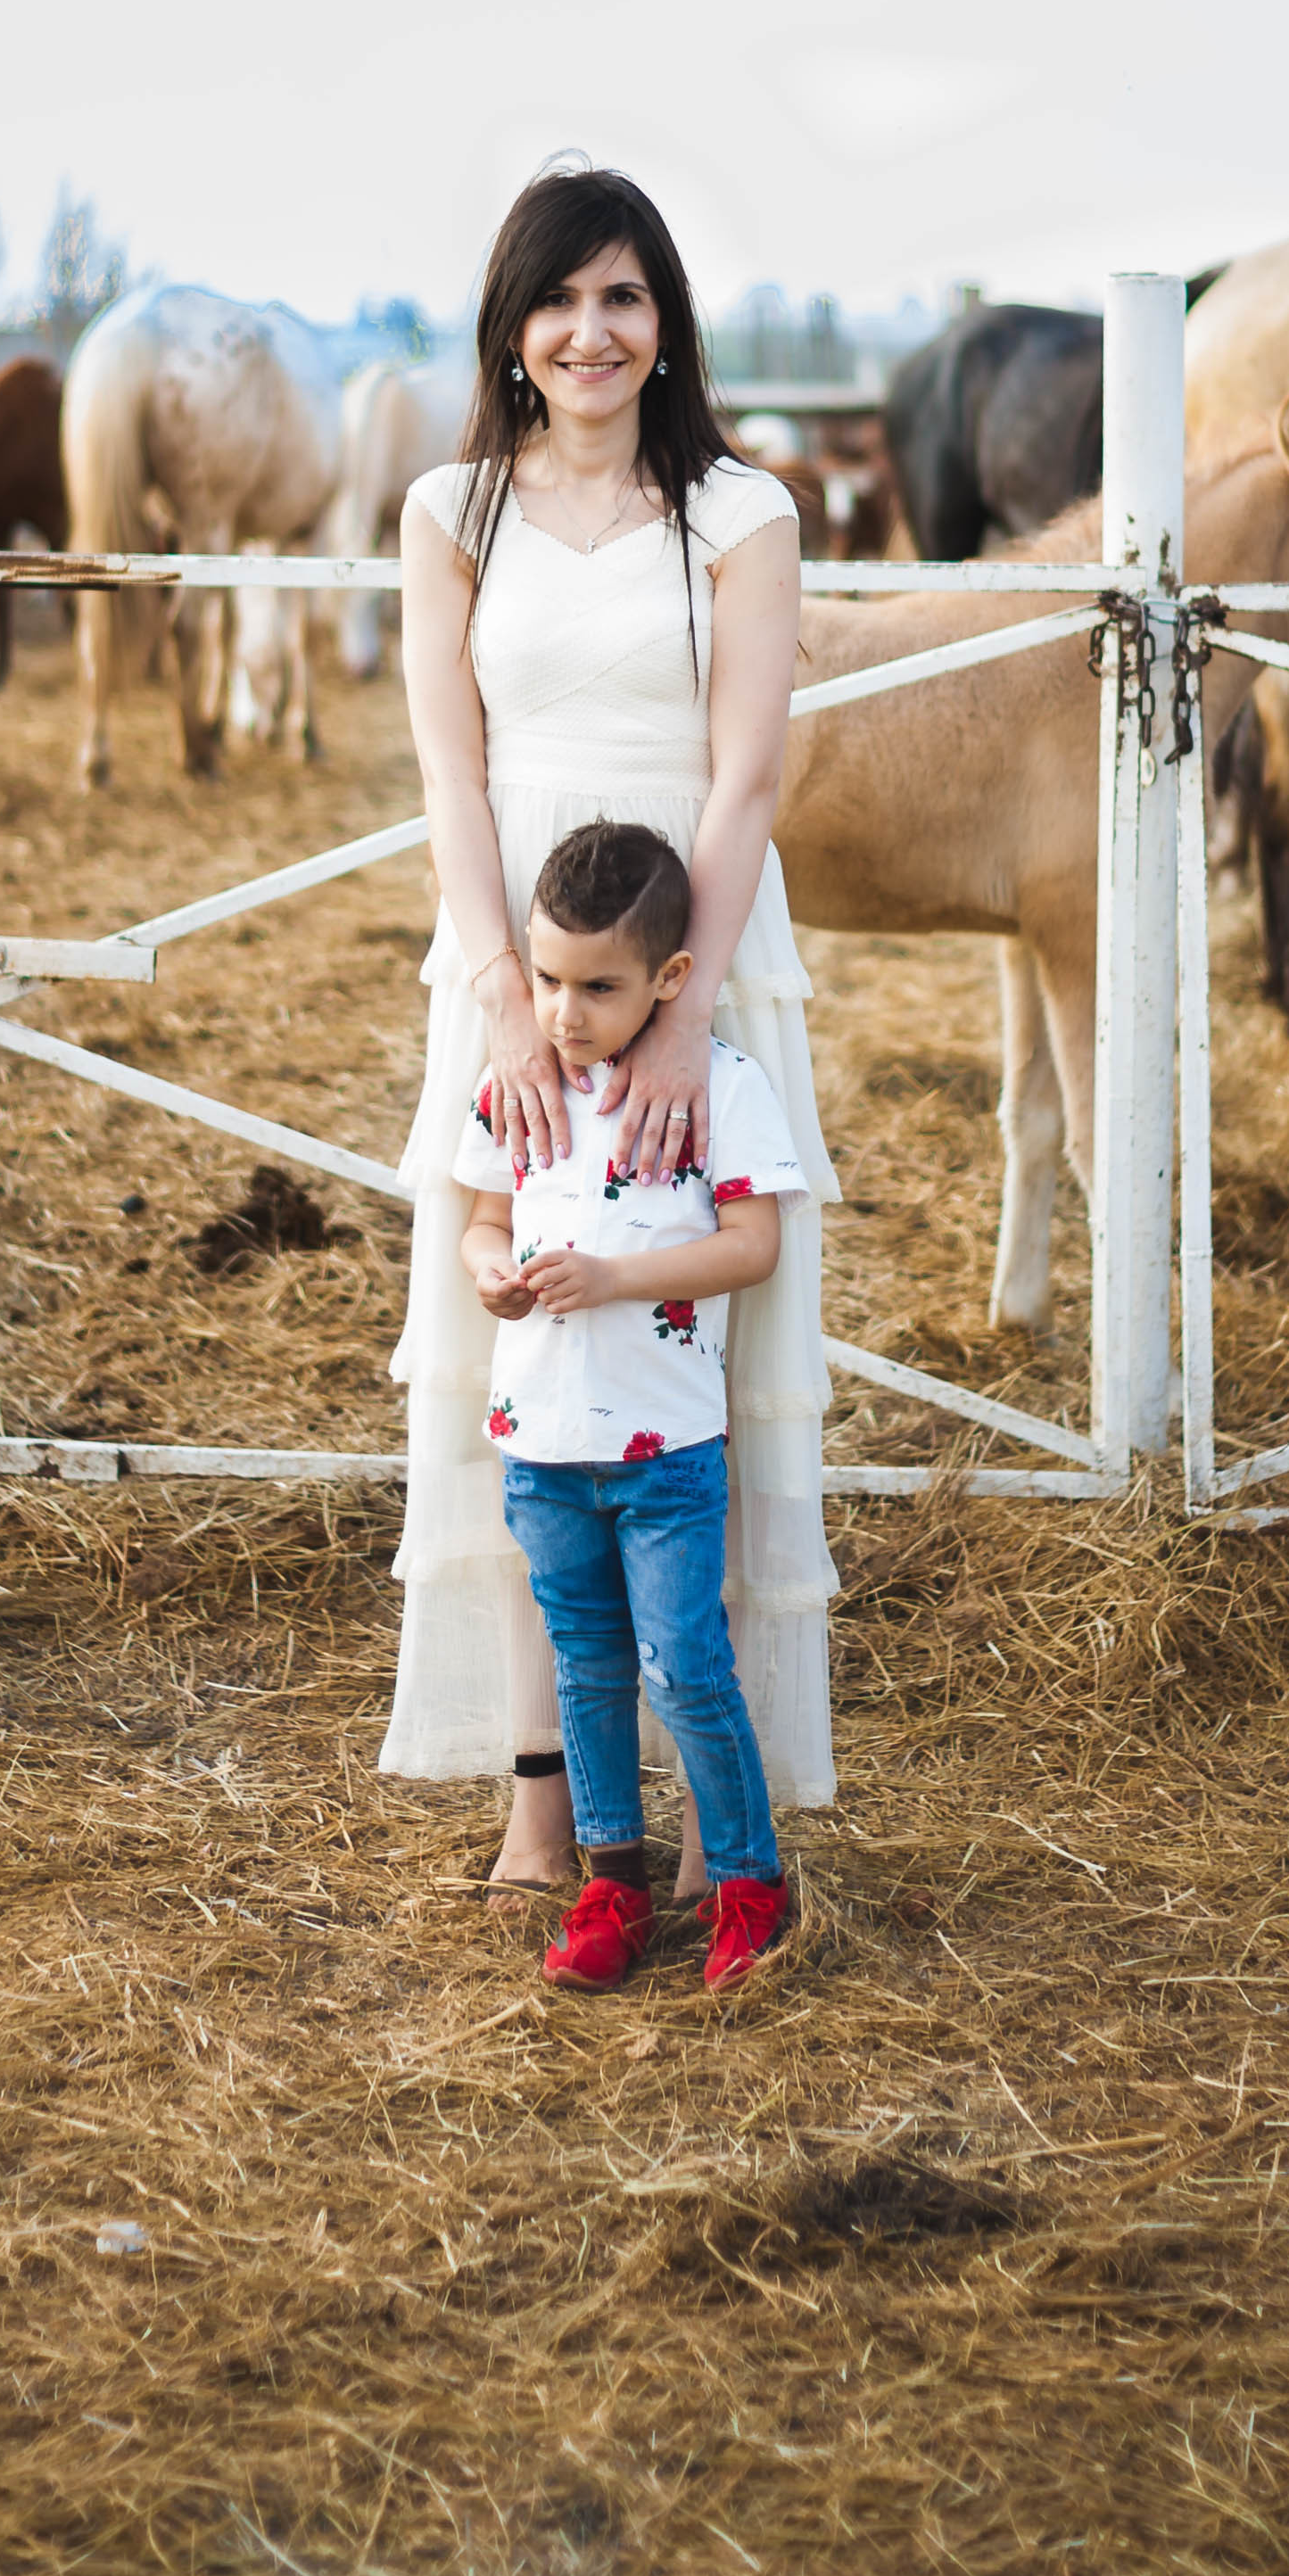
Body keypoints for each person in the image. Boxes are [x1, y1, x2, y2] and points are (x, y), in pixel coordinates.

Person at [383, 161, 839, 1900]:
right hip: (508, 979)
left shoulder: (735, 513)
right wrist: (506, 991)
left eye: (623, 296)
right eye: (558, 298)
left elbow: (745, 771)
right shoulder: (451, 512)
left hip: (690, 963)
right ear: (511, 328)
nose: (590, 330)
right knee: (519, 1370)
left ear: (665, 326)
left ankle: (720, 1814)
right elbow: (448, 765)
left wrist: (677, 1018)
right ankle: (543, 1802)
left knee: (691, 1374)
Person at [456, 821, 811, 1991]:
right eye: (547, 978)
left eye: (596, 986)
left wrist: (613, 1279)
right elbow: (481, 1220)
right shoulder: (515, 1088)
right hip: (543, 1446)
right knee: (588, 1665)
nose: (563, 1010)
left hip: (664, 1452)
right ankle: (614, 1882)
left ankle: (749, 1883)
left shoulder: (721, 1088)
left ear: (668, 980)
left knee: (684, 1661)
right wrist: (489, 1273)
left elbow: (751, 1245)